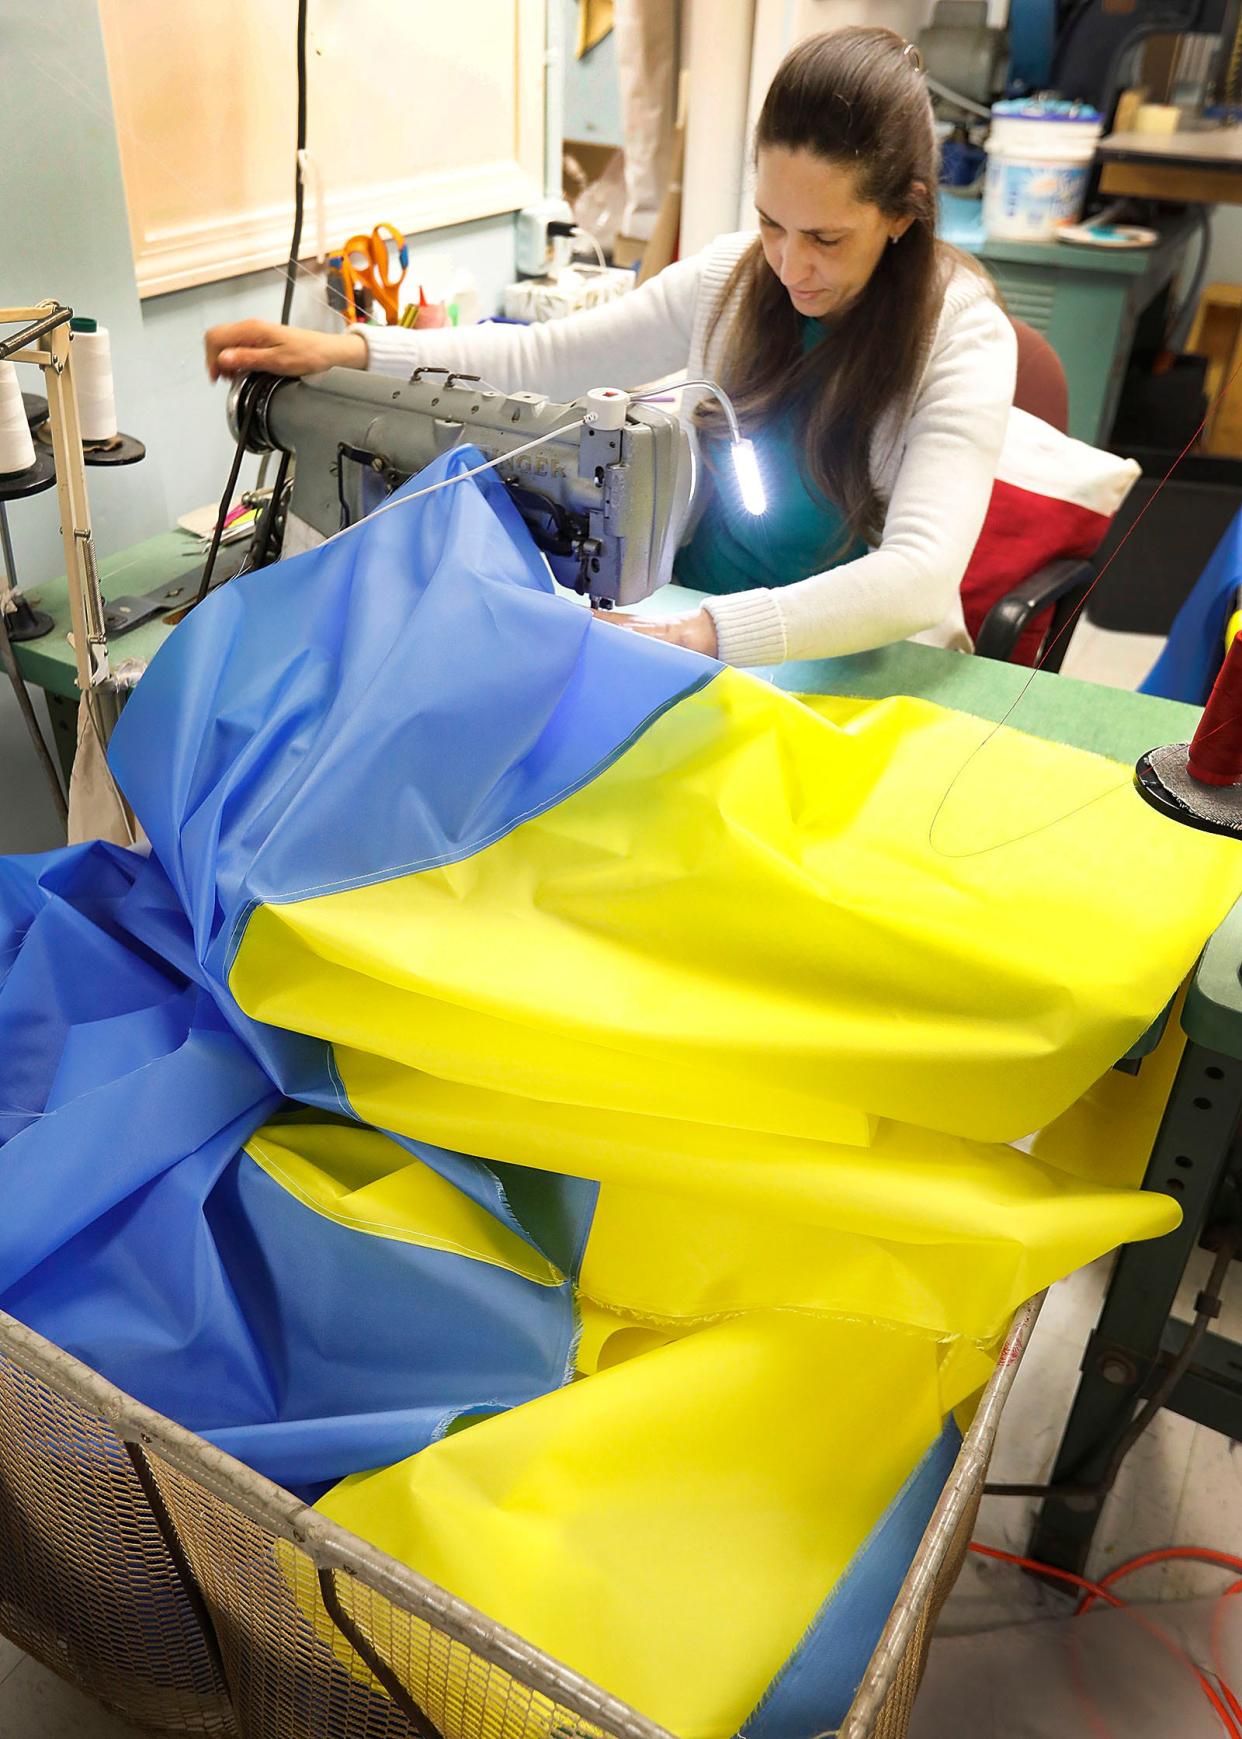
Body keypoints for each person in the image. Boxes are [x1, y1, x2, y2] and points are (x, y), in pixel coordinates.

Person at [204, 26, 1016, 670]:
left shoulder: (961, 335)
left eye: (827, 239)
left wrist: (707, 634)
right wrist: (348, 352)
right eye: (771, 222)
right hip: (692, 633)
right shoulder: (728, 282)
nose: (789, 264)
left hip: (859, 668)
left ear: (903, 215)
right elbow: (538, 359)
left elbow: (917, 574)